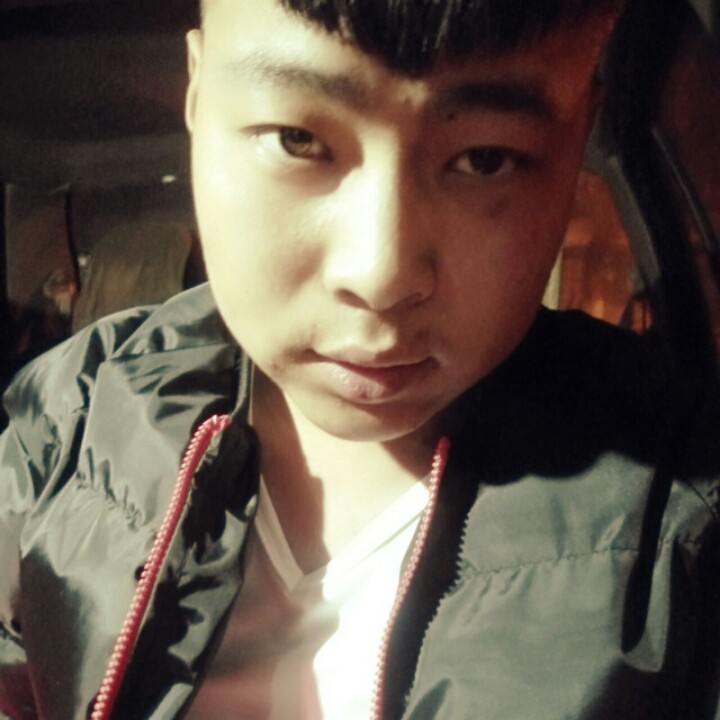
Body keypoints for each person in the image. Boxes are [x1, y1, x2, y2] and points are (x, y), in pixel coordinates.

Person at [1, 0, 719, 718]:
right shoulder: (73, 412)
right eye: (296, 140)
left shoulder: (685, 524)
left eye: (486, 159)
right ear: (197, 92)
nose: (381, 275)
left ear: (580, 134)